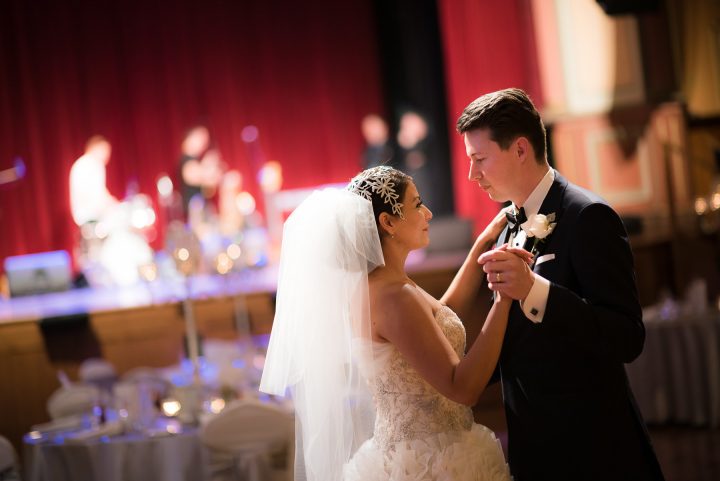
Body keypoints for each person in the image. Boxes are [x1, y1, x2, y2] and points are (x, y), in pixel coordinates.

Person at [261, 166, 530, 480]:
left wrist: (481, 245)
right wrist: (504, 297)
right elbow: (464, 388)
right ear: (388, 222)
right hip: (430, 463)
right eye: (416, 204)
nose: (428, 213)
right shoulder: (394, 297)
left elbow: (438, 320)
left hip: (419, 452)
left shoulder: (385, 286)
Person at [458, 88, 665, 480]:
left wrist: (536, 291)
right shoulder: (504, 229)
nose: (473, 174)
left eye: (479, 159)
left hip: (596, 450)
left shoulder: (589, 217)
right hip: (533, 453)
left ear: (520, 149)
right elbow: (515, 346)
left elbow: (626, 337)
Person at [69, 135, 117, 227]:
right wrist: (115, 206)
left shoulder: (81, 163)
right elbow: (98, 196)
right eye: (105, 151)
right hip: (92, 217)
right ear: (96, 148)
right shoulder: (93, 164)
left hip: (84, 217)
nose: (107, 156)